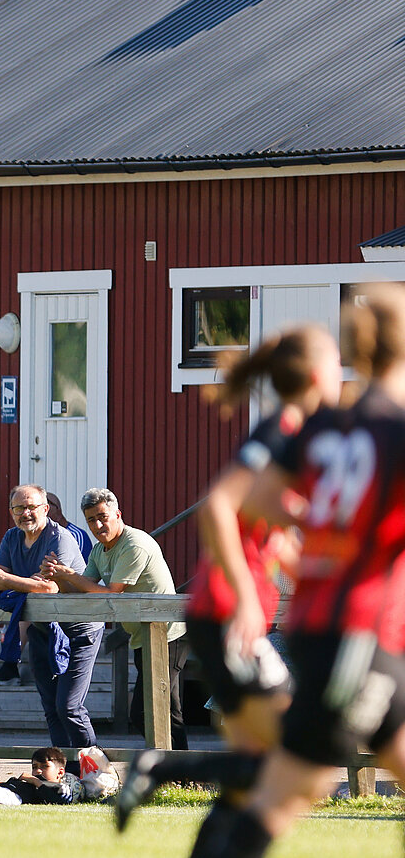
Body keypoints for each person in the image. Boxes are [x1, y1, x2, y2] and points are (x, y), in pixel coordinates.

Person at [160, 286, 405, 858]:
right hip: (359, 633)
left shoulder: (332, 430)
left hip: (334, 628)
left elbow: (263, 502)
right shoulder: (392, 427)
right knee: (295, 785)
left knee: (301, 780)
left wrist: (325, 538)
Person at [115, 325, 342, 832]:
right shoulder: (281, 432)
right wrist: (243, 598)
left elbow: (266, 535)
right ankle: (161, 767)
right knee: (312, 767)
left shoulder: (292, 437)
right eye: (335, 364)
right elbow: (218, 507)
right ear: (314, 374)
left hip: (225, 617)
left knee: (254, 776)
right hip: (225, 615)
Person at [44, 487, 187, 749]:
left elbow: (111, 594)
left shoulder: (135, 543)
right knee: (149, 710)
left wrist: (69, 575)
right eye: (91, 520)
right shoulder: (100, 551)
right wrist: (59, 577)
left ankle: (184, 773)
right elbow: (83, 589)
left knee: (162, 708)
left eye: (102, 517)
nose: (98, 525)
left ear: (117, 514)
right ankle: (173, 767)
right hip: (143, 635)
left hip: (169, 633)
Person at [0, 483, 99, 750]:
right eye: (18, 508)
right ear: (11, 512)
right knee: (51, 709)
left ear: (46, 509)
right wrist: (23, 581)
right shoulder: (11, 538)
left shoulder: (60, 537)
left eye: (31, 507)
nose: (25, 513)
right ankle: (65, 772)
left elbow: (49, 588)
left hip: (77, 630)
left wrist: (6, 578)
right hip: (42, 629)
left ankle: (95, 770)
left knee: (69, 707)